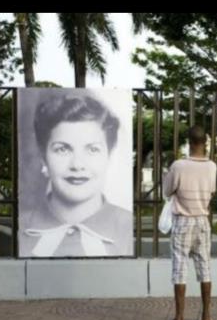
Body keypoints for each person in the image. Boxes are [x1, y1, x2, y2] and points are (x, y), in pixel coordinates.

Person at [18, 93, 132, 257]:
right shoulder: (21, 228)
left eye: (93, 149)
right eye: (62, 149)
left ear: (109, 156)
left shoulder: (129, 228)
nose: (77, 165)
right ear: (43, 158)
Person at [158, 125, 217, 320]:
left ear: (189, 142)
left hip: (183, 221)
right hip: (203, 220)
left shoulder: (178, 165)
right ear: (205, 143)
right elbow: (211, 192)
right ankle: (207, 317)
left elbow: (167, 190)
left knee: (180, 269)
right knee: (205, 267)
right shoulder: (212, 167)